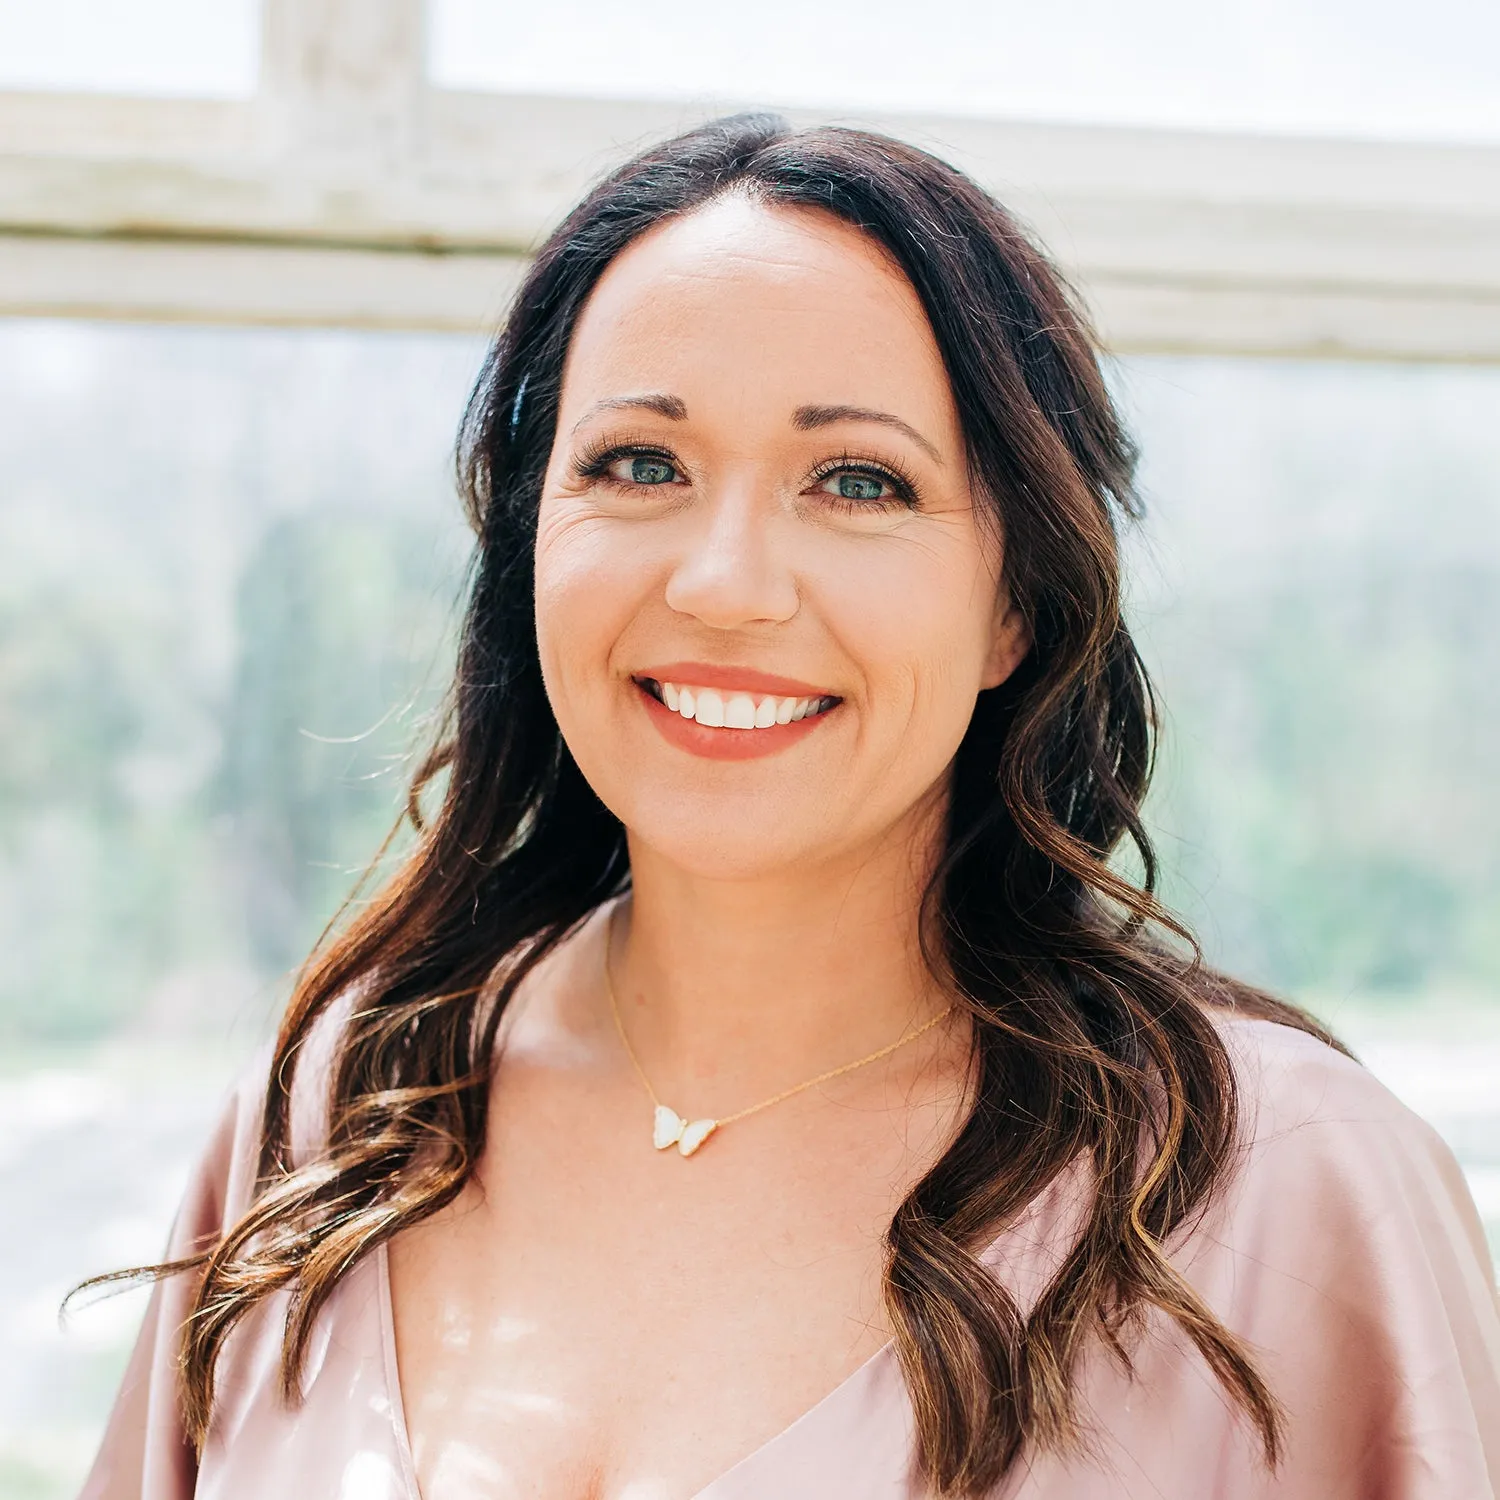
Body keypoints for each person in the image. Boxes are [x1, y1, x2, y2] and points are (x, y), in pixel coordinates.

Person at [81, 114, 1499, 1500]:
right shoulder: (348, 1106)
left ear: (1016, 604)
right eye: (640, 463)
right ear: (529, 544)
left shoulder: (1283, 1190)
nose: (725, 583)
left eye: (859, 482)